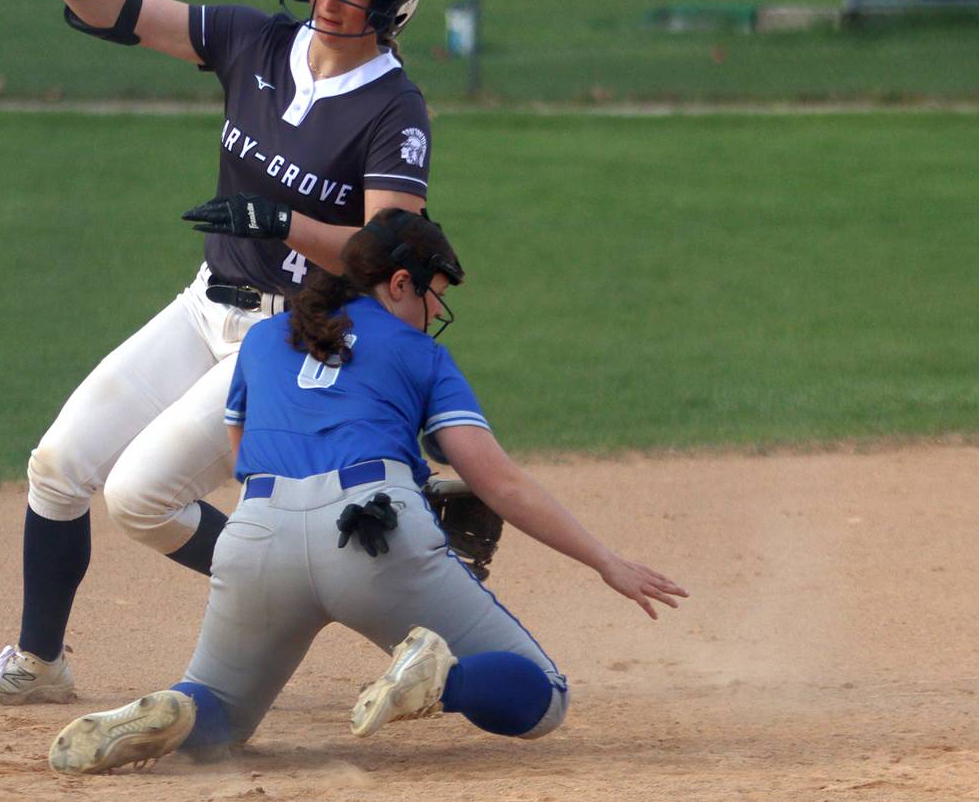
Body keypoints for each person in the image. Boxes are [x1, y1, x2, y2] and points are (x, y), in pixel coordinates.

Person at [0, 0, 437, 705]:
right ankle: (40, 663)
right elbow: (121, 13)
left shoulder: (394, 108)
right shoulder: (258, 41)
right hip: (204, 305)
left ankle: (403, 619)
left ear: (394, 6)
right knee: (59, 467)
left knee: (141, 498)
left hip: (290, 337)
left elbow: (385, 256)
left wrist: (283, 223)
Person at [45, 209, 689, 775]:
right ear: (398, 282)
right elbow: (500, 483)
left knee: (221, 721)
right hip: (373, 535)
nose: (435, 312)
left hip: (255, 538)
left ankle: (177, 709)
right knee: (545, 698)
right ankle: (443, 679)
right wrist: (608, 561)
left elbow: (245, 461)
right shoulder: (418, 352)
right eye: (432, 294)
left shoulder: (265, 341)